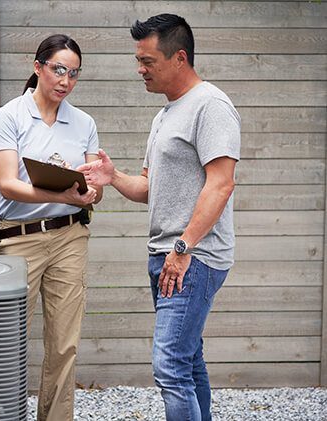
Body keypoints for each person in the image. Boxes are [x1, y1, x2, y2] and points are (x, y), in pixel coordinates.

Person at [77, 14, 240, 421]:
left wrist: (184, 248)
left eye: (148, 61)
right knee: (188, 361)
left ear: (179, 58)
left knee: (169, 366)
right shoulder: (165, 115)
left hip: (191, 258)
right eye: (139, 60)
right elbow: (148, 188)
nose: (140, 69)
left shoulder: (211, 106)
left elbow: (221, 184)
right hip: (166, 256)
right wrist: (112, 177)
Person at [0, 34, 102, 421]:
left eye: (74, 73)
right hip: (19, 240)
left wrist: (90, 193)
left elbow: (92, 187)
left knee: (64, 344)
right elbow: (7, 184)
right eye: (58, 69)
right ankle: (1, 414)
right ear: (38, 68)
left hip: (70, 236)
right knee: (7, 341)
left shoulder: (84, 122)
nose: (65, 80)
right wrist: (64, 194)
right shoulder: (10, 115)